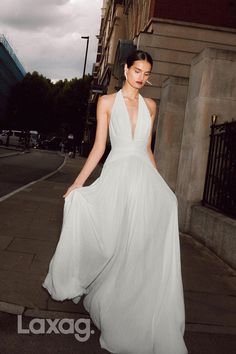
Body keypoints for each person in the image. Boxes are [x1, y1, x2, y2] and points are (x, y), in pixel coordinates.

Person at [42, 50, 188, 354]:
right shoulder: (106, 102)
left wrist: (159, 183)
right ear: (125, 69)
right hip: (118, 177)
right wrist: (77, 183)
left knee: (138, 247)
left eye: (147, 73)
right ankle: (107, 296)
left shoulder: (151, 105)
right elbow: (99, 148)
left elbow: (147, 149)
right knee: (113, 242)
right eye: (137, 70)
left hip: (144, 179)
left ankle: (135, 306)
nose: (142, 78)